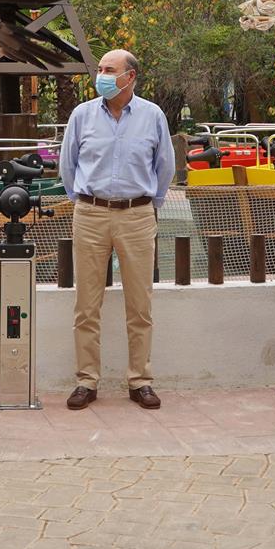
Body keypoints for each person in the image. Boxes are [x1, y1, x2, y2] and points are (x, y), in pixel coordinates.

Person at [59, 49, 176, 410]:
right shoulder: (82, 115)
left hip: (137, 215)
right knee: (86, 305)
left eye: (109, 70)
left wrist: (147, 206)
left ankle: (140, 380)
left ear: (130, 77)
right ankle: (86, 381)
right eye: (100, 69)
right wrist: (84, 201)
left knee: (140, 306)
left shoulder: (152, 115)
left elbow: (165, 167)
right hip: (91, 214)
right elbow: (68, 165)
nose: (102, 75)